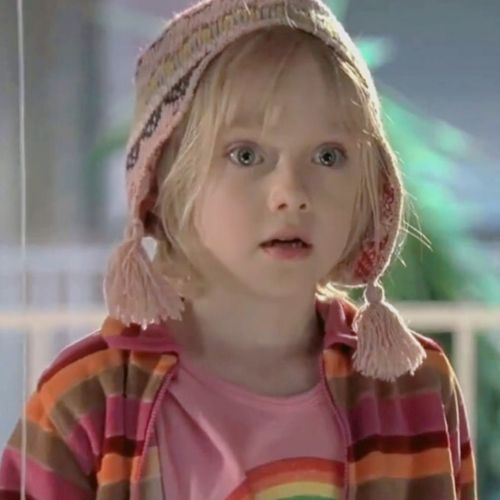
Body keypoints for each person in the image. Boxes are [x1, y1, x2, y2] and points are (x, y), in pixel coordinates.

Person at [0, 0, 477, 498]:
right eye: (245, 155)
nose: (291, 193)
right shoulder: (85, 403)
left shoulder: (414, 387)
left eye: (328, 156)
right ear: (164, 182)